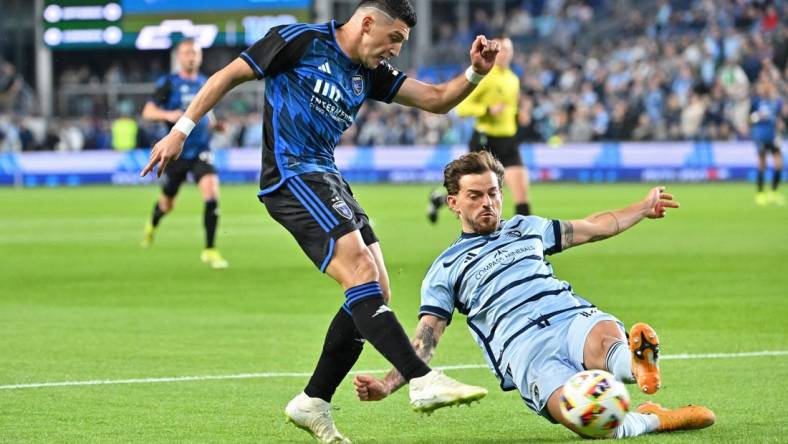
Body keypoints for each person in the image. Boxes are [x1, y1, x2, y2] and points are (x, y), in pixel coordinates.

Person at [141, 1, 501, 442]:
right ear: (367, 22)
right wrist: (180, 130)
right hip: (291, 175)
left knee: (376, 289)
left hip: (327, 177)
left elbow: (436, 100)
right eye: (394, 39)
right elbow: (227, 76)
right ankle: (421, 378)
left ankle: (313, 401)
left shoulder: (368, 72)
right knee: (362, 273)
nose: (395, 51)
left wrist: (476, 72)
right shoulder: (298, 41)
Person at [354, 151, 716, 439]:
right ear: (453, 203)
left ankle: (634, 364)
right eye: (475, 196)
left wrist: (643, 207)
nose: (488, 204)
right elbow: (425, 341)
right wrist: (388, 384)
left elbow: (592, 228)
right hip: (525, 352)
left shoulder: (527, 228)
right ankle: (651, 419)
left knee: (604, 338)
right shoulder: (445, 269)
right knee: (588, 421)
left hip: (568, 318)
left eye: (494, 193)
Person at [140, 38, 228, 269]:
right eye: (187, 53)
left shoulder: (205, 82)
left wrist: (215, 125)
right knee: (167, 204)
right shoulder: (168, 83)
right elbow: (148, 112)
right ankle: (153, 222)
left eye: (195, 53)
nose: (192, 57)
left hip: (201, 151)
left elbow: (207, 114)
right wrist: (169, 117)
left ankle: (210, 249)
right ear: (179, 57)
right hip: (176, 154)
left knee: (211, 195)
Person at [428, 36, 531, 223]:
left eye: (509, 49)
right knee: (471, 193)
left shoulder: (513, 79)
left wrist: (519, 113)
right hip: (485, 141)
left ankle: (526, 246)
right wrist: (486, 110)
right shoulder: (485, 77)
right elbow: (462, 108)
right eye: (502, 50)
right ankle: (440, 200)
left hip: (508, 140)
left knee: (522, 197)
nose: (505, 54)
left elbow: (510, 106)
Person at [750, 79, 784, 206]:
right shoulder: (757, 102)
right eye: (764, 87)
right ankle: (760, 193)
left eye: (769, 86)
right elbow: (750, 118)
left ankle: (773, 193)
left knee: (779, 165)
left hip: (773, 137)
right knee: (762, 165)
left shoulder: (775, 102)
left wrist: (779, 130)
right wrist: (756, 117)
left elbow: (779, 119)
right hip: (761, 136)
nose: (767, 89)